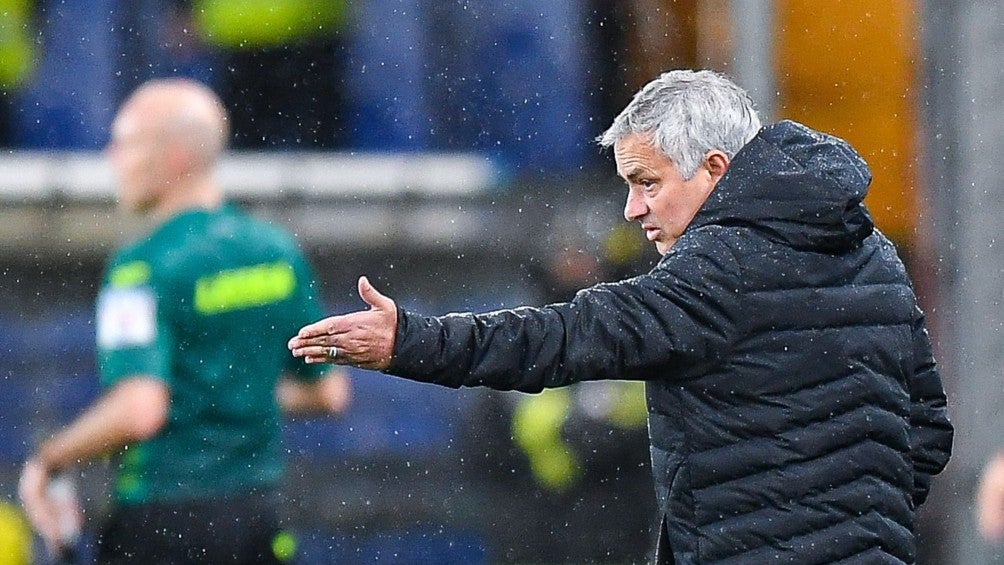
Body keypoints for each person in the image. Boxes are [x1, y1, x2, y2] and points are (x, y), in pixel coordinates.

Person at [288, 69, 953, 563]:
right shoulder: (871, 252)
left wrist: (410, 339)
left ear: (714, 169)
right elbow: (927, 429)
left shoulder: (716, 268)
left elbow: (563, 337)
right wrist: (852, 528)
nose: (634, 210)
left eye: (647, 183)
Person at [18, 78, 351, 563]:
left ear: (173, 157)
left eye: (125, 143)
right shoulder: (277, 253)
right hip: (257, 517)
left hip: (162, 521)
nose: (111, 158)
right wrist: (227, 393)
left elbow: (139, 410)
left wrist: (51, 458)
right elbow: (328, 393)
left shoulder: (141, 268)